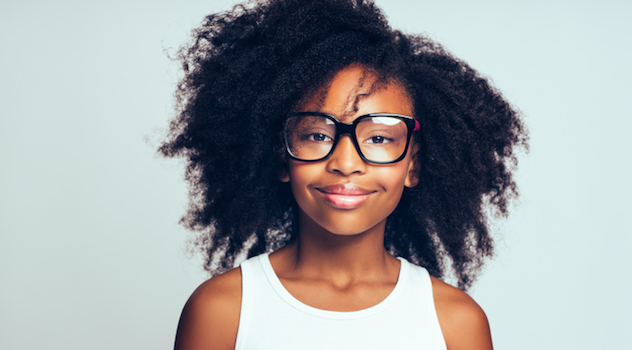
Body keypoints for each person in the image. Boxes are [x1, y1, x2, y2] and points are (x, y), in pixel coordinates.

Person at [161, 0, 527, 349]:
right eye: (318, 135)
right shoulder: (222, 311)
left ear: (412, 164)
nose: (346, 162)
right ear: (280, 155)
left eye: (380, 138)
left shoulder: (455, 324)